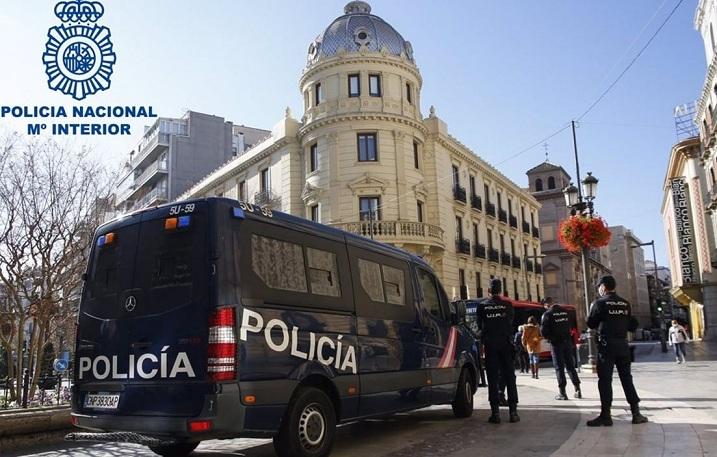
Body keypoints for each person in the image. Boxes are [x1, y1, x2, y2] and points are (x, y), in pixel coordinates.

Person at [586, 275, 648, 426]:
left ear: (603, 287)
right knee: (627, 378)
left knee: (605, 380)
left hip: (607, 346)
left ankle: (606, 415)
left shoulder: (599, 303)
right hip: (623, 345)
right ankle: (636, 413)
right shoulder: (624, 303)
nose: (599, 289)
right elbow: (632, 326)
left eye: (599, 287)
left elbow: (591, 323)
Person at [475, 279, 519, 424]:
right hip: (506, 344)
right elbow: (511, 322)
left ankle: (495, 413)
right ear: (500, 290)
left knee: (492, 378)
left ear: (488, 290)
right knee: (510, 377)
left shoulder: (482, 306)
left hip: (491, 344)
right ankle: (513, 413)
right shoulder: (507, 305)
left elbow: (479, 326)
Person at [541, 297, 582, 400]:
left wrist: (550, 337)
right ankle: (577, 389)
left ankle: (562, 393)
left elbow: (543, 332)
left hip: (556, 344)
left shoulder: (547, 314)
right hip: (567, 342)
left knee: (559, 368)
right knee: (570, 367)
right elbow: (571, 326)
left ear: (547, 304)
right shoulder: (565, 312)